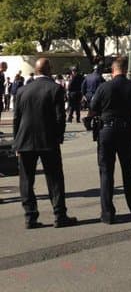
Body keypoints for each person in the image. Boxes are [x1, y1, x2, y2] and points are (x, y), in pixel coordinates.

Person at [12, 58, 77, 229]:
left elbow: (16, 118)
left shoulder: (22, 90)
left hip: (25, 139)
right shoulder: (55, 88)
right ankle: (59, 214)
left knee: (26, 180)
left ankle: (30, 217)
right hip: (48, 139)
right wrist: (59, 137)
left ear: (36, 69)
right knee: (54, 178)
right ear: (48, 69)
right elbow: (59, 117)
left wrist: (16, 142)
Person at [89, 56, 131, 224]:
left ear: (112, 70)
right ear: (124, 70)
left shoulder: (104, 87)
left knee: (106, 172)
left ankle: (107, 214)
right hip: (127, 131)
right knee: (129, 171)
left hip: (106, 130)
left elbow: (93, 109)